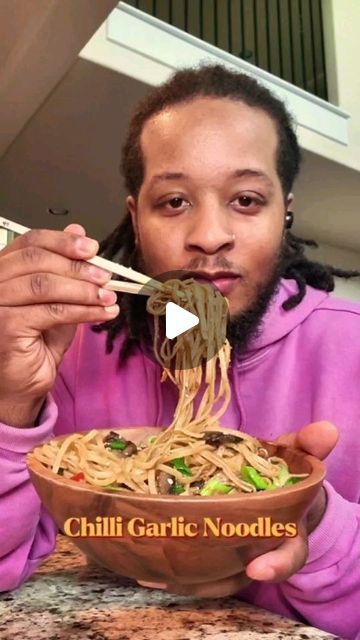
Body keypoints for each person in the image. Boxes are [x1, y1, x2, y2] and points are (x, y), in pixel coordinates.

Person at [0, 64, 359, 639]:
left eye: (246, 199)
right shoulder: (73, 349)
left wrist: (315, 523)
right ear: (134, 219)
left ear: (284, 211)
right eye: (172, 202)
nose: (210, 235)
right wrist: (11, 403)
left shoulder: (352, 345)